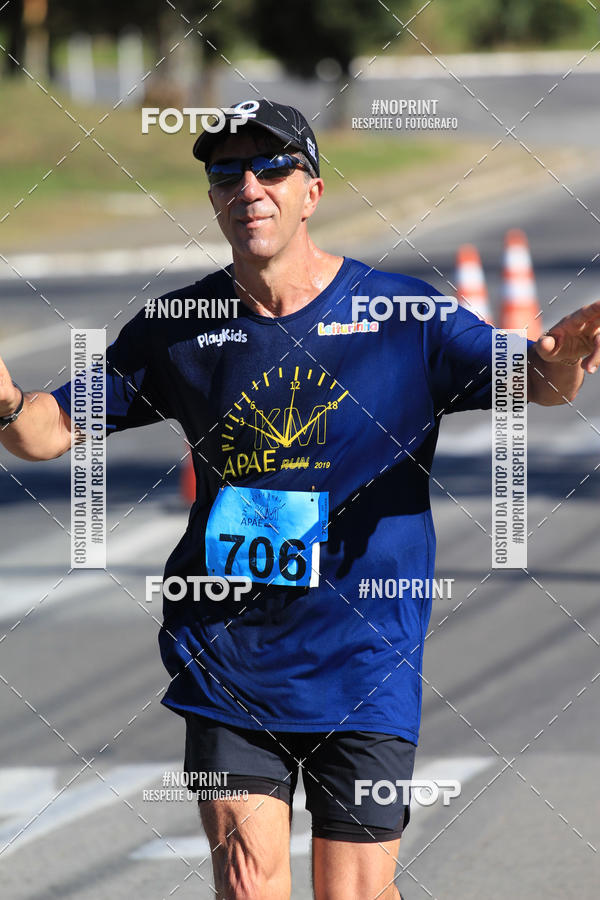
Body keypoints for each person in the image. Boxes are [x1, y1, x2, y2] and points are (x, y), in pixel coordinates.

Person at [1, 99, 599, 900]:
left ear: (311, 191)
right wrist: (4, 400)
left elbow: (534, 380)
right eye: (226, 172)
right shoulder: (180, 325)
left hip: (366, 660)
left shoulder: (404, 318)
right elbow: (43, 433)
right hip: (228, 658)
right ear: (214, 198)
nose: (248, 186)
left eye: (272, 167)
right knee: (248, 887)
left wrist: (564, 359)